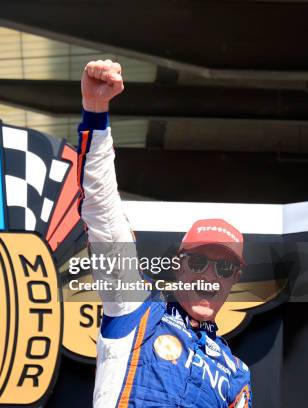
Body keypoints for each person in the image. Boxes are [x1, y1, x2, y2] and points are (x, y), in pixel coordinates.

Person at [78, 59, 252, 407]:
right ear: (179, 265)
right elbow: (102, 209)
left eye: (223, 268)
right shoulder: (136, 307)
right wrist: (96, 112)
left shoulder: (236, 374)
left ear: (234, 280)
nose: (208, 276)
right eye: (200, 260)